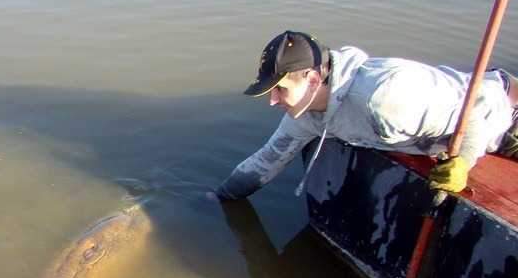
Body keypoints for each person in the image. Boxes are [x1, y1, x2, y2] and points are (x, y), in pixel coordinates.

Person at [214, 30, 518, 200]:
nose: (272, 100)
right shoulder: (306, 114)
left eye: (279, 89)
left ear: (311, 81)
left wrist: (463, 161)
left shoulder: (384, 100)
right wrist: (217, 199)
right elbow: (268, 160)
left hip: (505, 114)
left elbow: (476, 111)